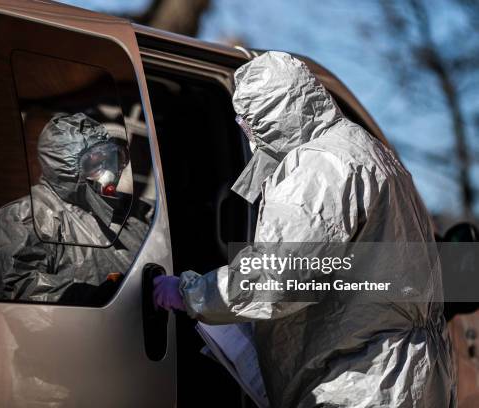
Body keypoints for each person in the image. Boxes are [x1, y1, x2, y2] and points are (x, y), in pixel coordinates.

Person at [154, 52, 455, 407]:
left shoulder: (319, 164)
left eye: (248, 119)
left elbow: (279, 275)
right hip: (405, 377)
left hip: (359, 383)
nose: (246, 131)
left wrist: (193, 294)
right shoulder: (367, 150)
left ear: (272, 114)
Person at [0, 112, 151, 305]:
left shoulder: (127, 213)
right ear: (64, 166)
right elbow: (26, 300)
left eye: (112, 158)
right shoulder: (22, 219)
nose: (110, 172)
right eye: (95, 163)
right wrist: (127, 293)